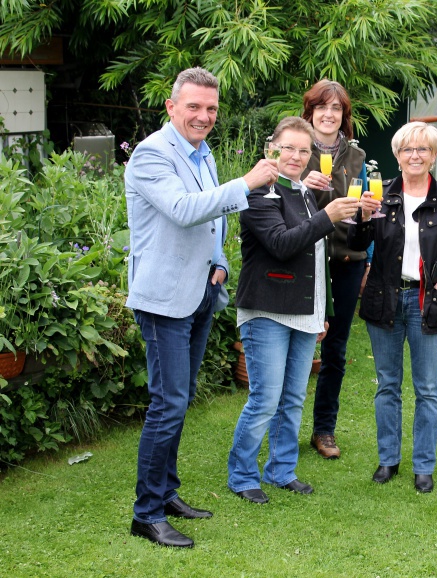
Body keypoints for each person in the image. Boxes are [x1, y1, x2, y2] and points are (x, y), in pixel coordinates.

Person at [125, 67, 279, 548]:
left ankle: (167, 493)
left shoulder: (203, 153)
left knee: (179, 399)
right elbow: (184, 209)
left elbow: (212, 224)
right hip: (163, 300)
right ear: (171, 107)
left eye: (211, 108)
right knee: (167, 404)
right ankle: (146, 513)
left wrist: (220, 265)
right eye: (194, 106)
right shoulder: (152, 154)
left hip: (199, 294)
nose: (204, 116)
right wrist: (247, 182)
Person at [227, 117, 360, 503]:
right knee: (266, 399)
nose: (297, 156)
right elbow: (282, 244)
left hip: (304, 313)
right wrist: (328, 216)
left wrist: (323, 310)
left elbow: (317, 260)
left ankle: (281, 469)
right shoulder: (257, 193)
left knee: (293, 398)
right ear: (272, 147)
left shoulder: (303, 192)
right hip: (266, 309)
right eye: (289, 148)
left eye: (305, 150)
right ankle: (242, 475)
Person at [349, 122, 437, 493]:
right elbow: (356, 242)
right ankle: (388, 460)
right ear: (397, 155)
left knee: (427, 389)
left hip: (429, 301)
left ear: (433, 155)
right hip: (384, 299)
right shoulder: (380, 196)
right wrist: (361, 216)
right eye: (408, 149)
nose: (415, 156)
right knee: (388, 385)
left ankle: (424, 465)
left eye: (423, 149)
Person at [300, 79, 369, 460]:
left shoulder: (356, 157)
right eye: (322, 107)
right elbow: (270, 197)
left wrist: (366, 217)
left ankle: (324, 429)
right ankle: (284, 427)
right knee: (295, 346)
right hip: (302, 259)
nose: (329, 114)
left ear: (344, 116)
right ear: (309, 111)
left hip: (344, 260)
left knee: (336, 350)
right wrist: (297, 181)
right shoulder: (293, 148)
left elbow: (359, 208)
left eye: (337, 108)